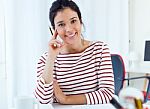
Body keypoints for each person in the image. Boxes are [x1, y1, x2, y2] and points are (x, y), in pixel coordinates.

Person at [34, 0, 114, 105]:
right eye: (61, 24)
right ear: (54, 29)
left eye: (73, 21)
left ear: (80, 22)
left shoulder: (99, 49)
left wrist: (66, 99)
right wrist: (51, 58)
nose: (69, 29)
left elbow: (107, 94)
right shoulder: (46, 59)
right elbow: (42, 100)